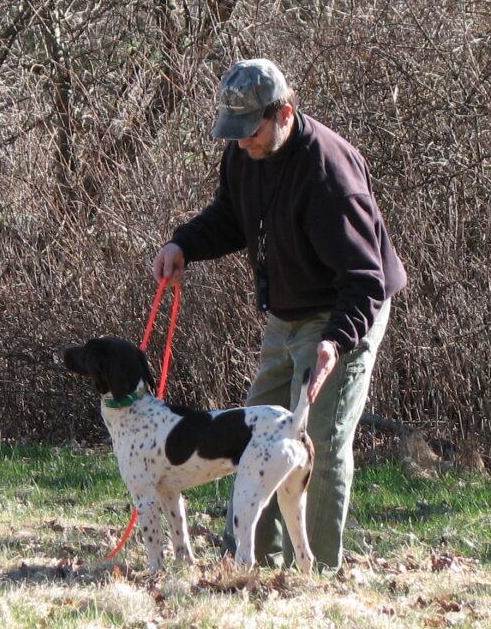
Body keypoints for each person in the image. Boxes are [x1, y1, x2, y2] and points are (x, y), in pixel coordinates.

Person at [153, 57, 406, 572]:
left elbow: (365, 280)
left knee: (320, 442)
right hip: (286, 311)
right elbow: (231, 217)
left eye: (250, 130)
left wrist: (336, 341)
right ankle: (247, 564)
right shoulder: (243, 155)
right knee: (252, 436)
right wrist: (183, 243)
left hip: (344, 313)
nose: (241, 142)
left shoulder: (331, 176)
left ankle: (316, 574)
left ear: (284, 113)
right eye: (233, 132)